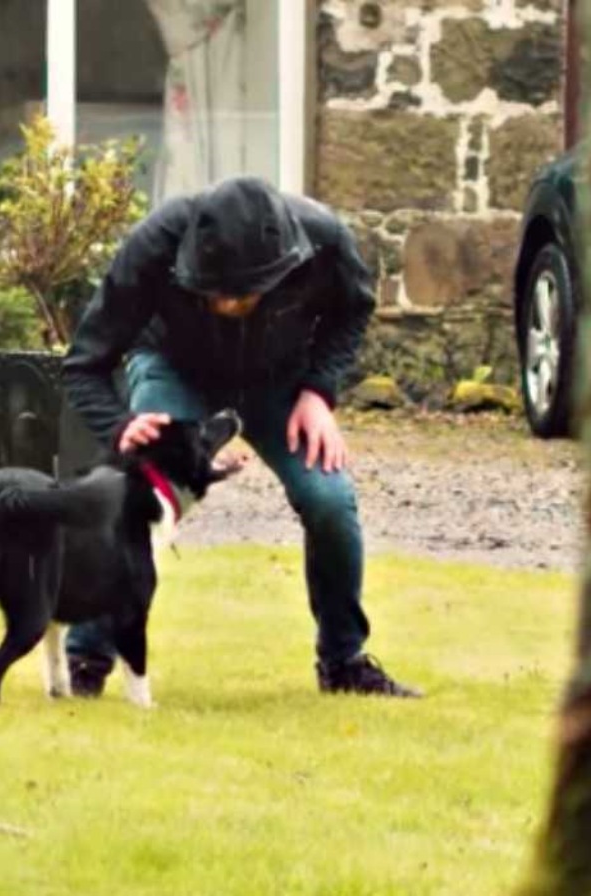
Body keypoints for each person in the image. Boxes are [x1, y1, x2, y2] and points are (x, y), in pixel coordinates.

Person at [61, 175, 421, 698]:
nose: (227, 306)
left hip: (282, 382)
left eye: (242, 294)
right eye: (214, 293)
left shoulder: (323, 240)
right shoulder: (153, 246)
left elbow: (354, 309)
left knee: (330, 500)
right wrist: (121, 425)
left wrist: (318, 391)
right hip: (173, 368)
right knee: (136, 498)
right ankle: (85, 659)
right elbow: (83, 363)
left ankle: (344, 663)